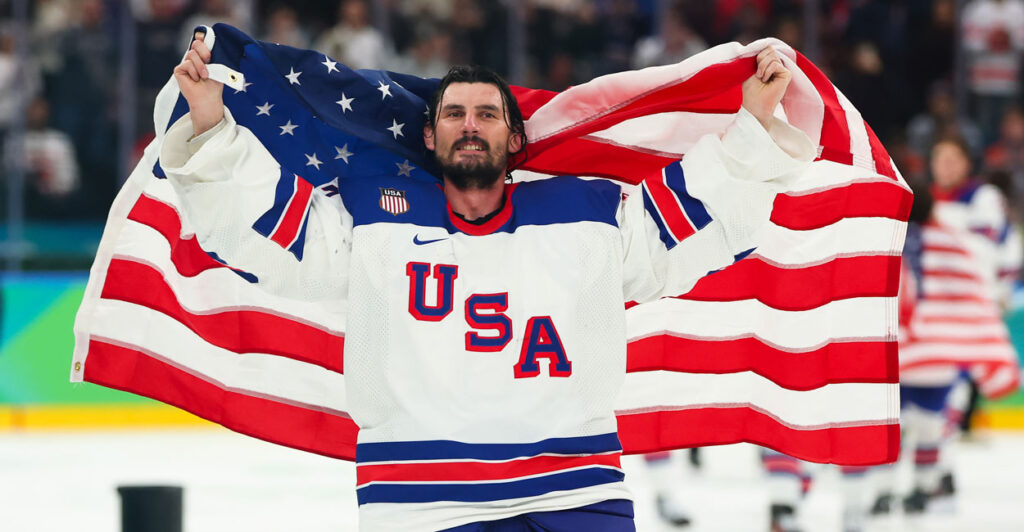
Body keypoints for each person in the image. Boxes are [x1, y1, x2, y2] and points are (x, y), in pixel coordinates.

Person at [162, 31, 810, 531]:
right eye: (453, 113)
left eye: (487, 114)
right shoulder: (370, 216)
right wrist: (212, 125)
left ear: (514, 136)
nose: (470, 124)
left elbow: (689, 220)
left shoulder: (586, 212)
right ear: (429, 134)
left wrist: (753, 124)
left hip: (577, 491)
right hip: (422, 500)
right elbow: (266, 231)